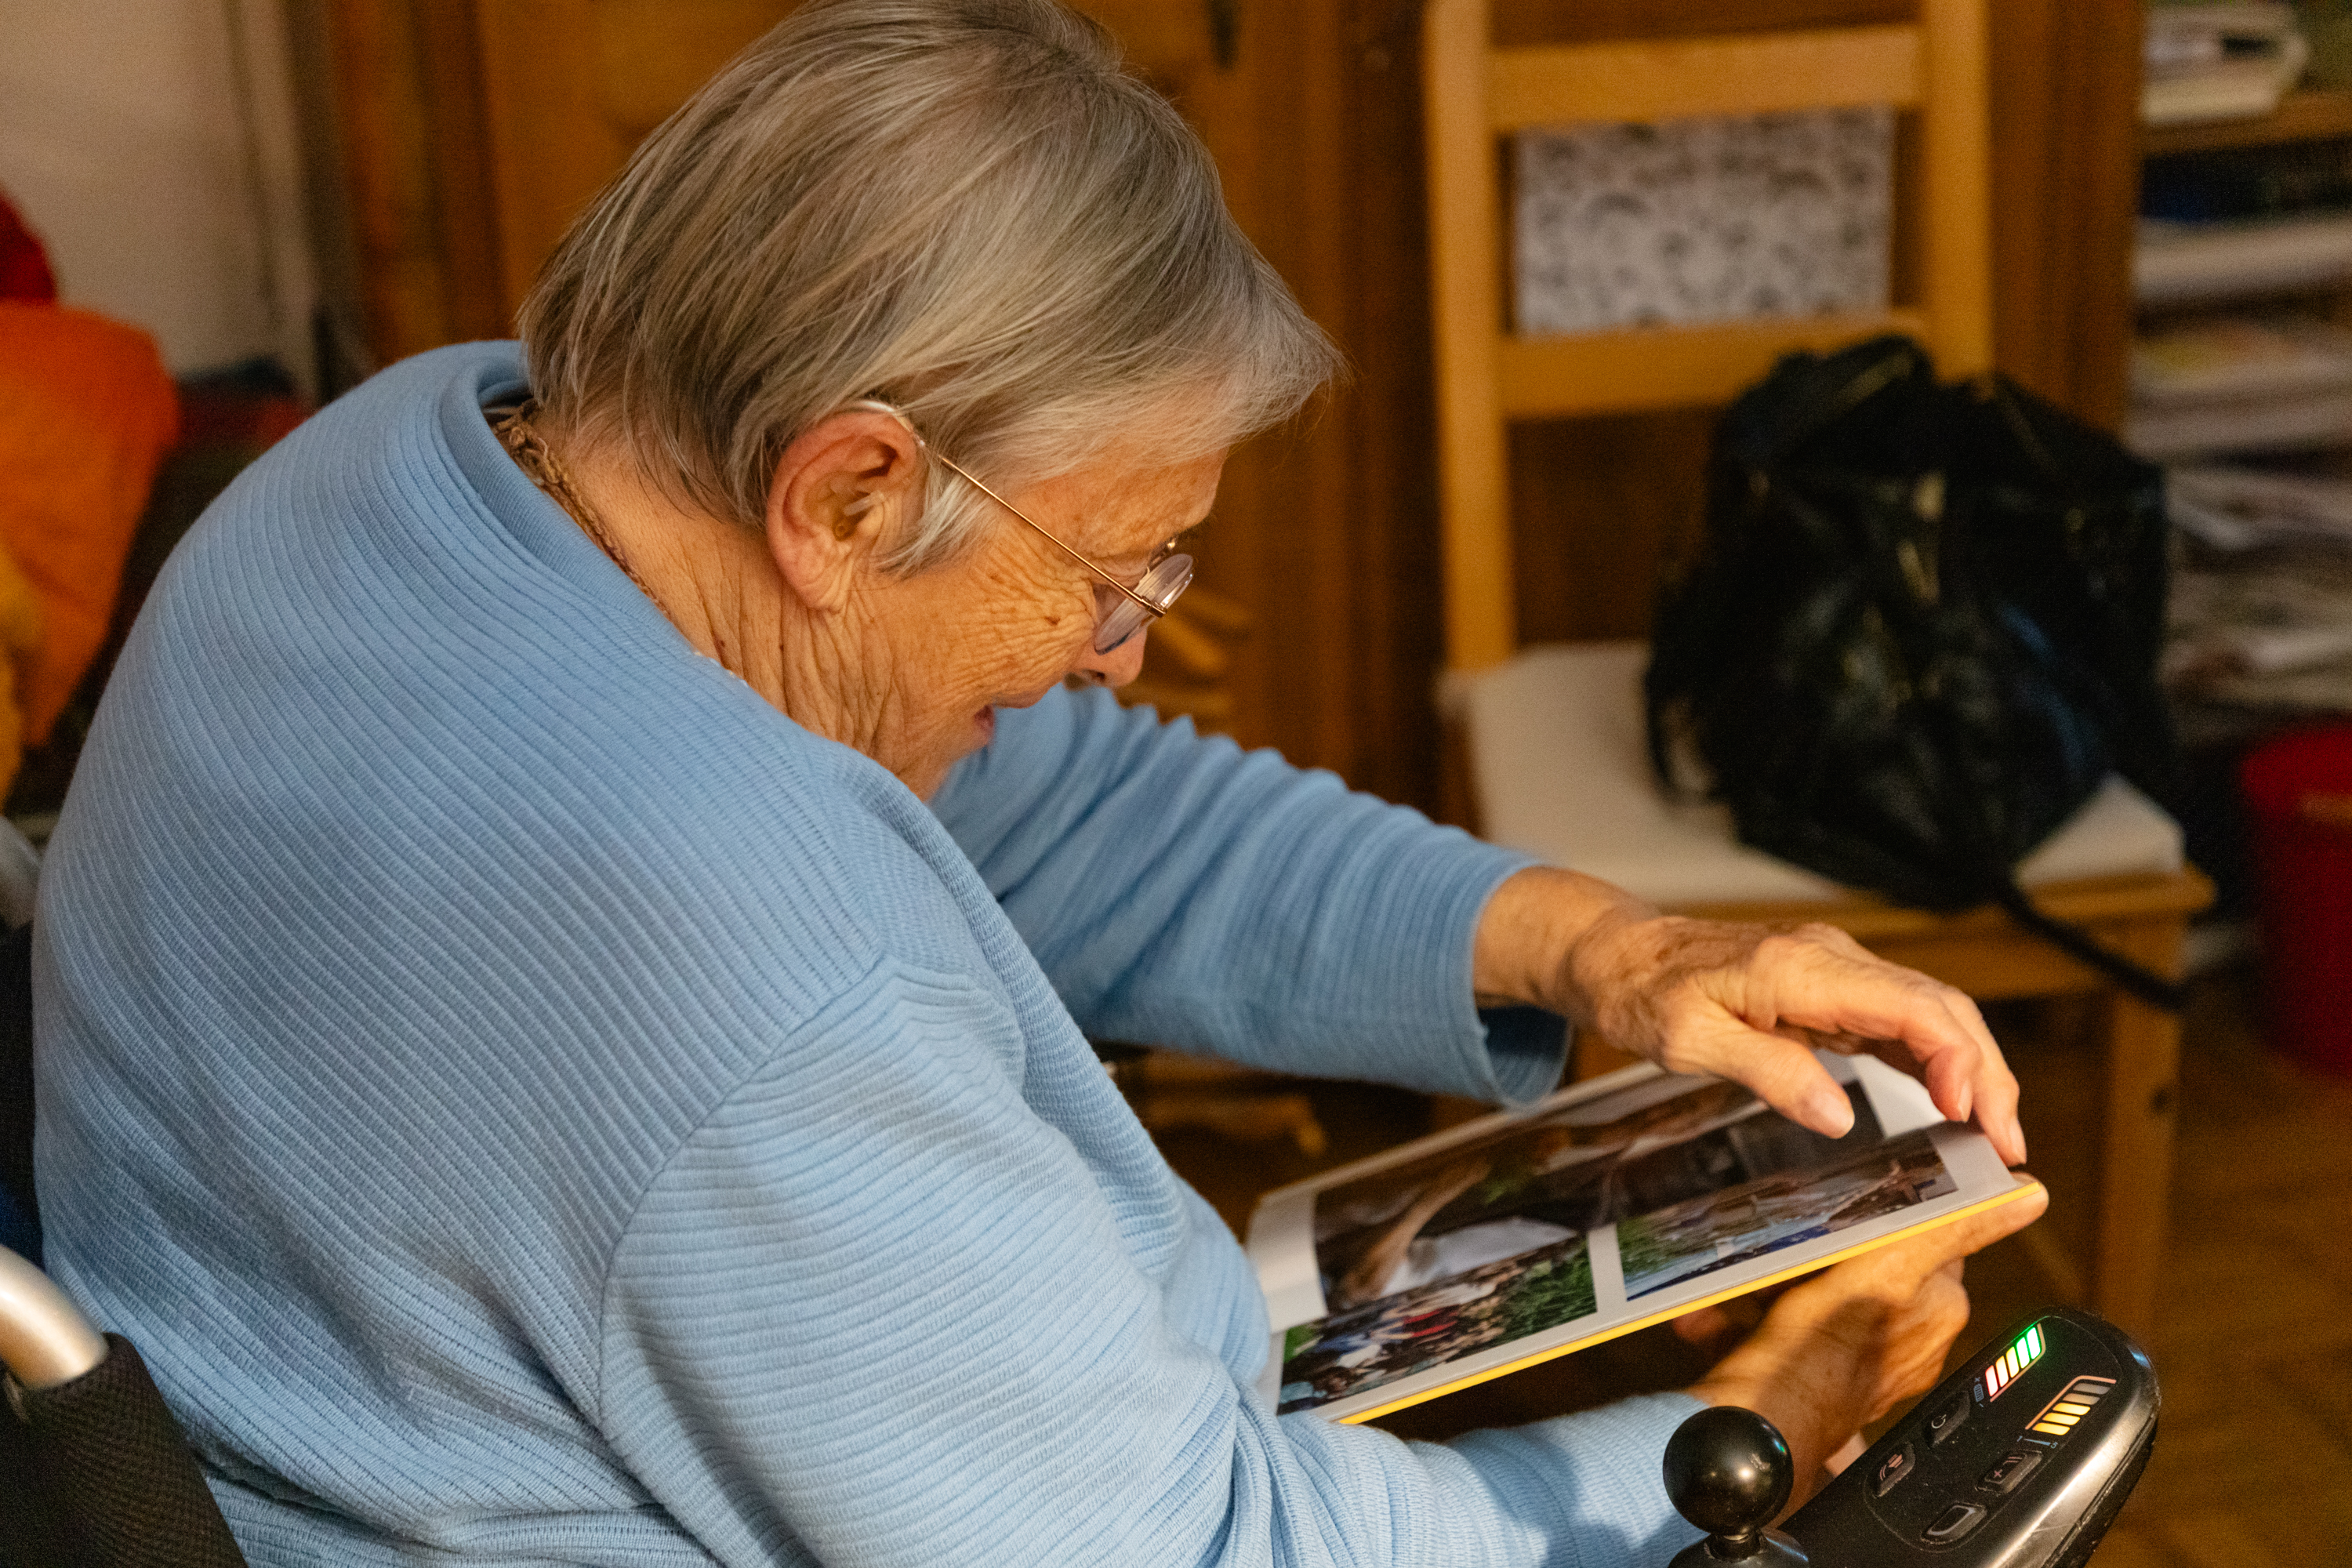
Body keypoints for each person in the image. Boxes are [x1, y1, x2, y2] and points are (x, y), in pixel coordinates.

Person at [31, 2, 2042, 1563]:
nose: (1128, 644)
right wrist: (1750, 1434)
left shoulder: (416, 456)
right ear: (851, 489)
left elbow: (1080, 808)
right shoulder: (756, 986)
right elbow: (1182, 1547)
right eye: (1116, 571)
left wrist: (1605, 946)